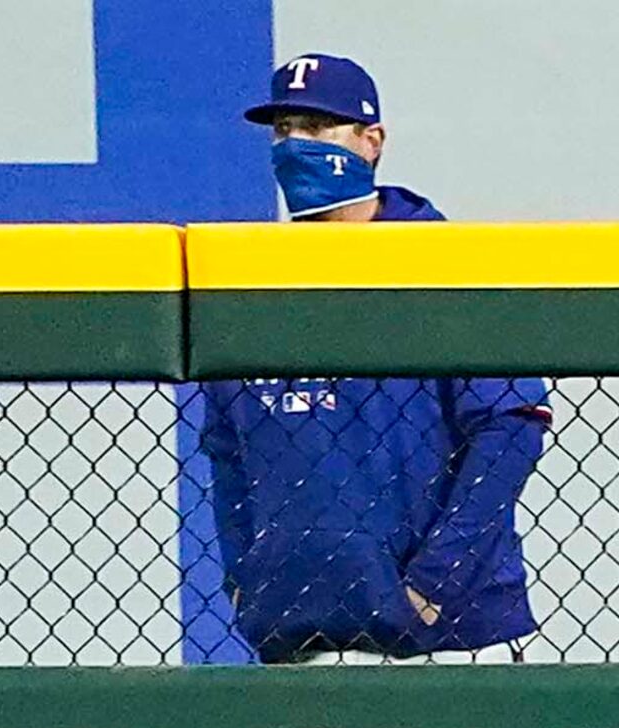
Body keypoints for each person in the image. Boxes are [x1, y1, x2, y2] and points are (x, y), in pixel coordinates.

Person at [197, 54, 551, 665]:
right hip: (301, 637)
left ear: (371, 141)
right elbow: (229, 454)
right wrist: (248, 588)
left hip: (450, 641)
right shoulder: (253, 287)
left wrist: (429, 588)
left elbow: (510, 428)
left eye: (316, 126)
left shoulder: (442, 265)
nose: (294, 145)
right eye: (283, 130)